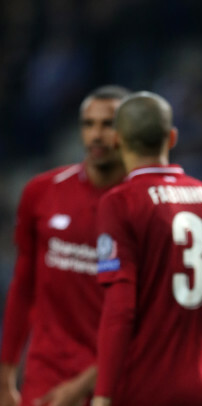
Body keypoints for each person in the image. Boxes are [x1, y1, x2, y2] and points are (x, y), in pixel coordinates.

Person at [90, 92, 202, 406]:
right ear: (171, 137)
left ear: (117, 140)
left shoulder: (120, 203)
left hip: (145, 391)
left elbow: (120, 309)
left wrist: (103, 395)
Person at [0, 85, 130, 406]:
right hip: (46, 378)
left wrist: (81, 386)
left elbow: (147, 318)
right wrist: (5, 374)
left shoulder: (143, 207)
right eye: (88, 124)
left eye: (108, 124)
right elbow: (23, 286)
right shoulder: (41, 192)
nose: (96, 135)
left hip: (116, 381)